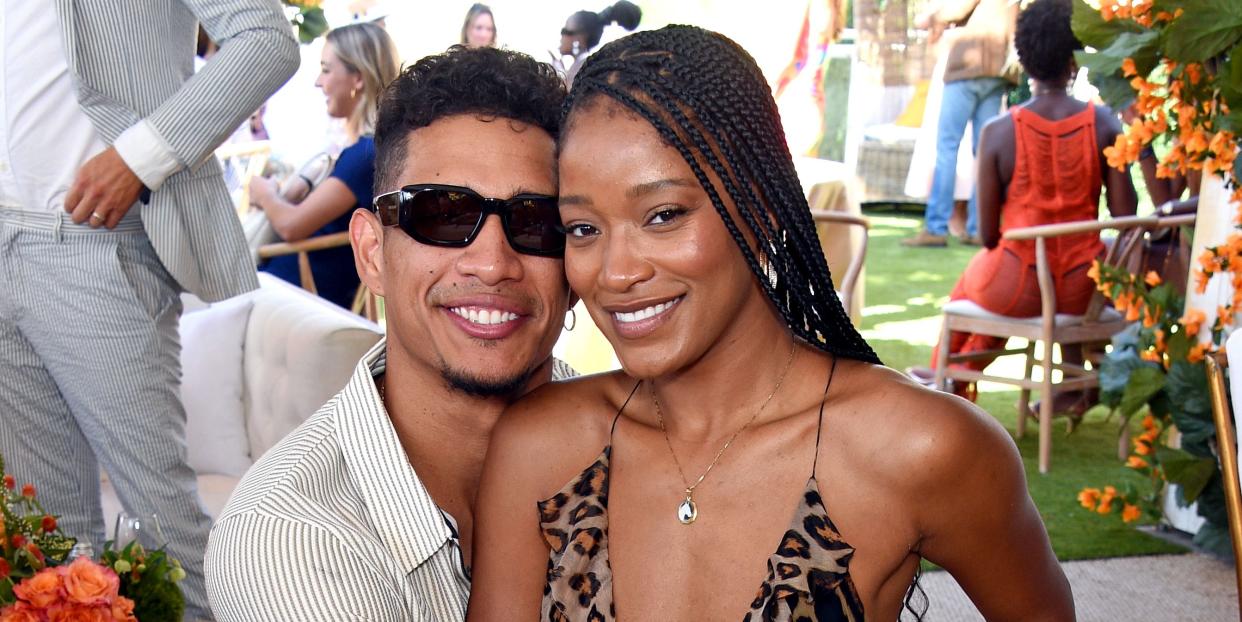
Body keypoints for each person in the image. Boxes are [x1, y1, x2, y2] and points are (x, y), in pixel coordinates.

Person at [468, 25, 1072, 622]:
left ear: (756, 207)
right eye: (583, 229)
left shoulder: (921, 449)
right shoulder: (542, 449)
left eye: (663, 215)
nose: (616, 272)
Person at [205, 45, 575, 620]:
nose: (493, 262)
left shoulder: (642, 446)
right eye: (444, 214)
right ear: (372, 252)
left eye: (536, 221)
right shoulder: (288, 540)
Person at [0, 2, 297, 618]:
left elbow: (267, 39)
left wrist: (141, 155)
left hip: (92, 238)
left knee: (165, 525)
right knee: (46, 538)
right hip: (5, 238)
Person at [910, 0, 1137, 413]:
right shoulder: (1104, 124)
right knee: (999, 271)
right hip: (1083, 289)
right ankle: (1067, 386)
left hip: (1016, 285)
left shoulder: (999, 132)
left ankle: (946, 383)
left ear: (1024, 57)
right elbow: (1125, 217)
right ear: (1075, 59)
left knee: (981, 275)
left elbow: (987, 234)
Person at [249, 22, 400, 310]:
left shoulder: (366, 154)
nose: (319, 82)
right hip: (296, 291)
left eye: (327, 70)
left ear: (358, 78)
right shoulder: (373, 149)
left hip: (296, 298)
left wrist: (264, 193)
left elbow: (292, 226)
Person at [903, 0, 1019, 247]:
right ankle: (979, 228)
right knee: (984, 152)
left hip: (968, 68)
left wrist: (933, 16)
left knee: (947, 147)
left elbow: (957, 8)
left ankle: (936, 227)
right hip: (998, 69)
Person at [554, 1, 641, 87]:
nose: (561, 36)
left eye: (564, 31)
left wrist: (556, 76)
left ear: (579, 37)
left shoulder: (582, 68)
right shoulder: (584, 65)